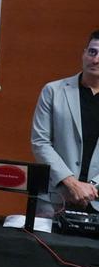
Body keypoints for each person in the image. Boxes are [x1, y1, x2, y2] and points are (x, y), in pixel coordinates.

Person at [31, 29, 99, 214]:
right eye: (92, 52)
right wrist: (71, 183)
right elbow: (40, 143)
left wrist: (90, 187)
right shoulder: (53, 91)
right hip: (55, 197)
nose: (96, 59)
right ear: (84, 53)